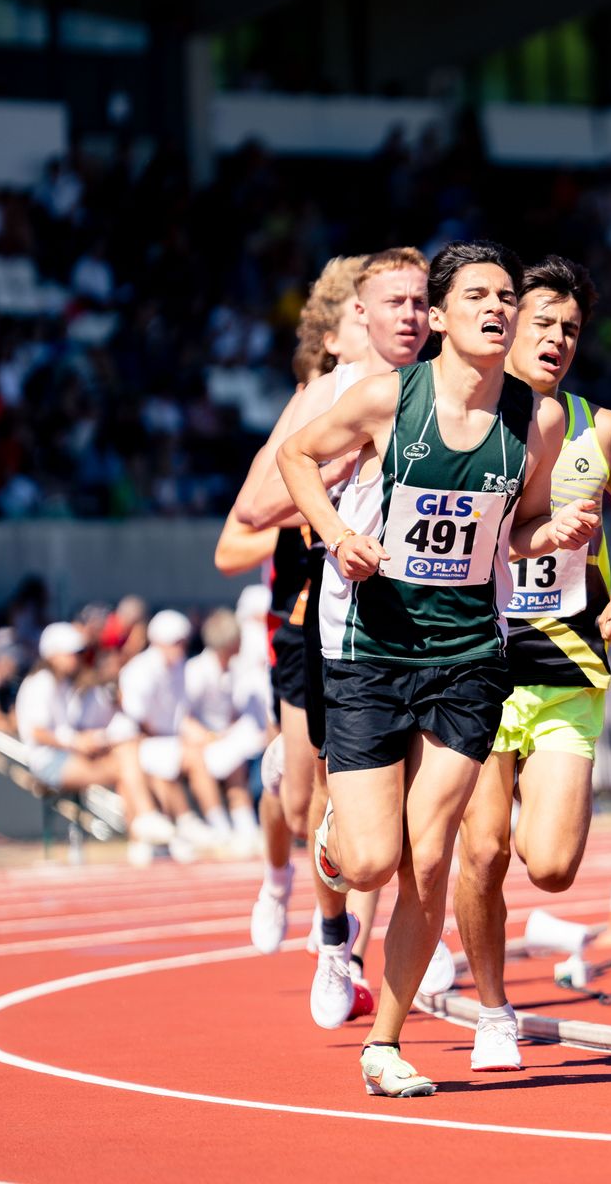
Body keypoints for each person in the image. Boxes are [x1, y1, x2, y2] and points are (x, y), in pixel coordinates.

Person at [277, 239, 599, 1097]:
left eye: (506, 297)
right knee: (375, 858)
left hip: (468, 658)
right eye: (479, 297)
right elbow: (296, 458)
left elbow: (515, 531)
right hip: (373, 652)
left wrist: (553, 535)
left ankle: (382, 1044)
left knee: (431, 854)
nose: (497, 309)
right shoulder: (388, 399)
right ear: (446, 316)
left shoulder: (540, 418)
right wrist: (338, 535)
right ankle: (335, 842)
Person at [453, 255, 611, 1072]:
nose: (557, 340)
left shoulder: (596, 429)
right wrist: (535, 539)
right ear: (505, 328)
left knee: (555, 866)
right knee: (483, 851)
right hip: (476, 660)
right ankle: (494, 1010)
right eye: (544, 323)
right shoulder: (464, 427)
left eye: (570, 330)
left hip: (569, 664)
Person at [233, 249, 427, 1028]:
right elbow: (251, 509)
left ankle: (411, 926)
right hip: (335, 616)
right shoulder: (327, 394)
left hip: (437, 619)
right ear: (356, 321)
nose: (407, 316)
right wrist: (334, 487)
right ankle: (331, 932)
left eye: (421, 302)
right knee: (320, 796)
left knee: (420, 795)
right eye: (389, 303)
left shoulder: (458, 388)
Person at [14, 621, 173, 841]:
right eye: (71, 653)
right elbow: (37, 732)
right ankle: (144, 823)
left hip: (66, 755)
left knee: (128, 757)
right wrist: (76, 742)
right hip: (49, 762)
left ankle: (145, 830)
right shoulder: (41, 683)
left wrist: (94, 740)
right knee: (126, 768)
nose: (76, 658)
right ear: (53, 654)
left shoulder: (64, 685)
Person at [111, 610, 229, 843]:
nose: (180, 647)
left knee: (193, 757)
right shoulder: (139, 670)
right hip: (137, 740)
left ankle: (216, 825)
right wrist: (174, 739)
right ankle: (183, 825)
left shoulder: (179, 668)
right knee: (171, 763)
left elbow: (179, 716)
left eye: (182, 641)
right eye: (175, 642)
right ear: (158, 642)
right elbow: (138, 718)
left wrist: (201, 736)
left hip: (160, 741)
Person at [181, 609, 273, 853]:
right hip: (199, 743)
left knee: (236, 769)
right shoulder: (197, 670)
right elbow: (183, 719)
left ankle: (246, 829)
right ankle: (220, 829)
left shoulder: (233, 670)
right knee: (201, 762)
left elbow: (231, 712)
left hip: (222, 741)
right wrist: (208, 737)